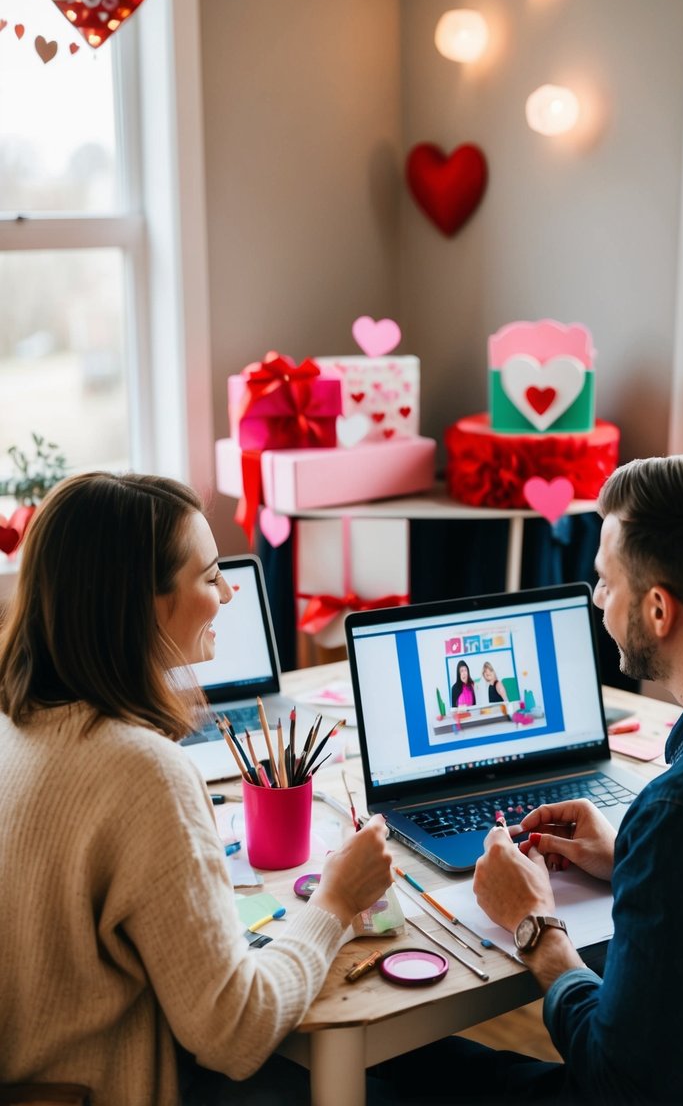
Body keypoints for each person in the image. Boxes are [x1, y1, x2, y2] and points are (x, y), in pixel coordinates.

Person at [373, 455, 683, 1104]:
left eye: (604, 583)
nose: (596, 600)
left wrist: (534, 925)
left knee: (392, 1068)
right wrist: (632, 861)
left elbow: (620, 1085)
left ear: (657, 609)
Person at [0, 472, 393, 1106]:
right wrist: (336, 902)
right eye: (210, 577)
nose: (230, 592)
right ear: (143, 605)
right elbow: (235, 1033)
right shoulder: (141, 769)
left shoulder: (15, 729)